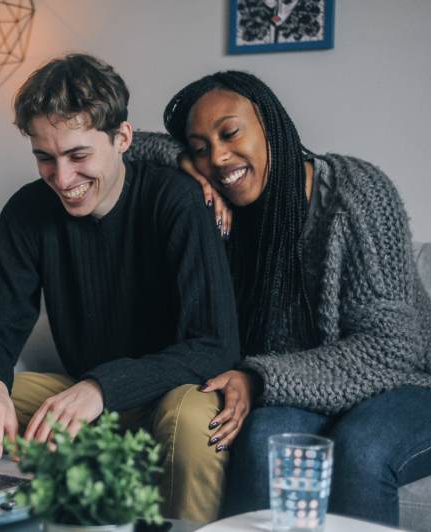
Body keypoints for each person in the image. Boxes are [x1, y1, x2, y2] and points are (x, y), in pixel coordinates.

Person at [127, 70, 431, 527]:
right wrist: (183, 163)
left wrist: (257, 377)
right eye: (201, 147)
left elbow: (391, 347)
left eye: (230, 133)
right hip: (311, 392)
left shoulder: (357, 195)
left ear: (270, 125)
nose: (219, 156)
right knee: (264, 439)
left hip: (406, 382)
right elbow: (120, 147)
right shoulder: (229, 216)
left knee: (362, 449)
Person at [0, 54, 240, 522]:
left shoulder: (175, 200)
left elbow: (215, 343)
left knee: (193, 422)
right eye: (45, 158)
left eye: (78, 155)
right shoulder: (27, 212)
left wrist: (102, 387)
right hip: (86, 391)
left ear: (122, 138)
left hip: (171, 393)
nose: (62, 179)